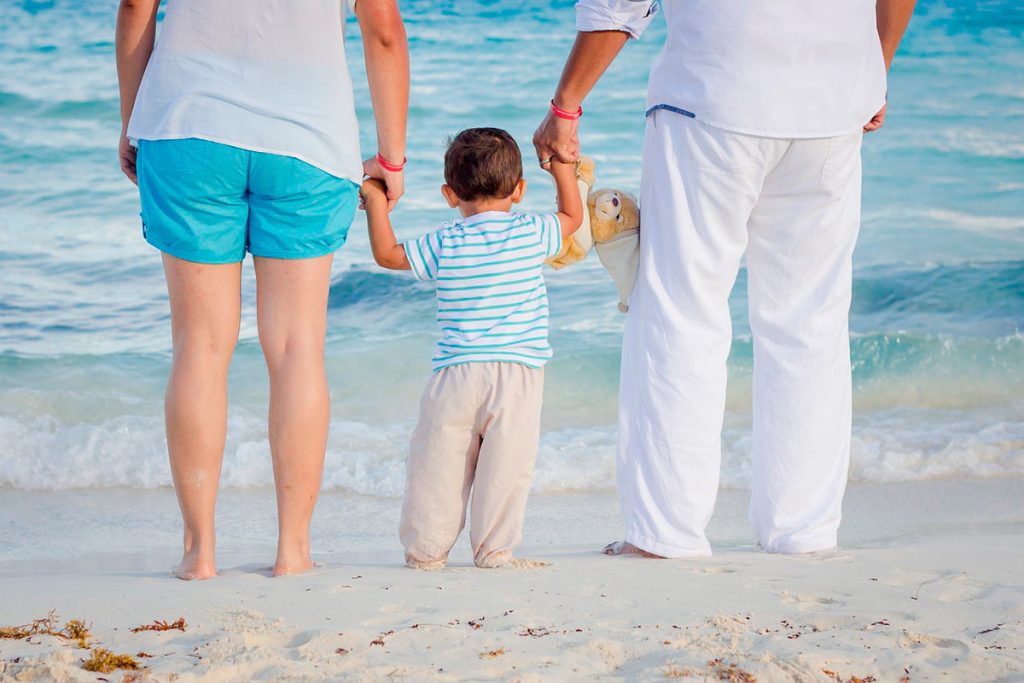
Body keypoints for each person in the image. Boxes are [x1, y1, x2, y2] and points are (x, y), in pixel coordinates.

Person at [534, 1, 916, 558]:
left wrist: (565, 105)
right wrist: (873, 68)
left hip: (714, 96)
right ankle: (802, 530)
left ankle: (666, 532)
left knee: (681, 311)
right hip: (834, 103)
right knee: (809, 321)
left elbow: (618, 6)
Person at [115, 0, 409, 579]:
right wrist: (392, 156)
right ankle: (292, 551)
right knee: (298, 348)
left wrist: (133, 119)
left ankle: (200, 553)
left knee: (199, 347)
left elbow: (133, 9)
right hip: (309, 140)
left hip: (188, 128)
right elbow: (384, 32)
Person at [360, 128, 583, 568]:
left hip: (455, 373)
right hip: (518, 372)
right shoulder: (533, 232)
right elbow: (572, 218)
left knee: (437, 464)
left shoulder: (444, 241)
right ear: (518, 191)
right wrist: (563, 169)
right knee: (507, 466)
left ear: (449, 194)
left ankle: (426, 552)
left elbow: (387, 254)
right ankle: (494, 551)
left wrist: (374, 197)